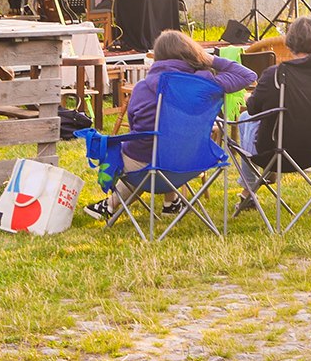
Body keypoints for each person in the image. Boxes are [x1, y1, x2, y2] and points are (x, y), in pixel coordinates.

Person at [84, 30, 256, 221]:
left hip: (144, 166)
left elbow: (134, 127)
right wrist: (210, 59)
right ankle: (171, 203)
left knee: (143, 149)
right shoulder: (205, 83)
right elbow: (248, 75)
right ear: (192, 53)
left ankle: (111, 203)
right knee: (171, 143)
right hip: (190, 163)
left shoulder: (142, 87)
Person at [233, 16, 311, 214]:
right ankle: (265, 178)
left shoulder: (275, 74)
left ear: (290, 43)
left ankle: (249, 191)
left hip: (278, 151)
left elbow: (253, 109)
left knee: (245, 118)